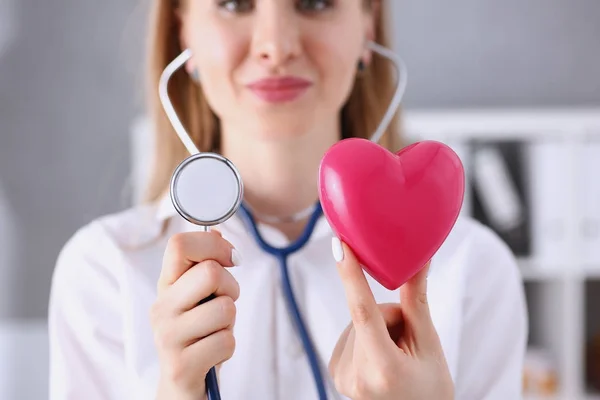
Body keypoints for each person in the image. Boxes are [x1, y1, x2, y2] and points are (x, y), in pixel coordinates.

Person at [48, 0, 528, 399]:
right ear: (184, 32)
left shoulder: (475, 271)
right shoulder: (103, 270)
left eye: (315, 2)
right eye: (235, 3)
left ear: (368, 23)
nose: (276, 47)